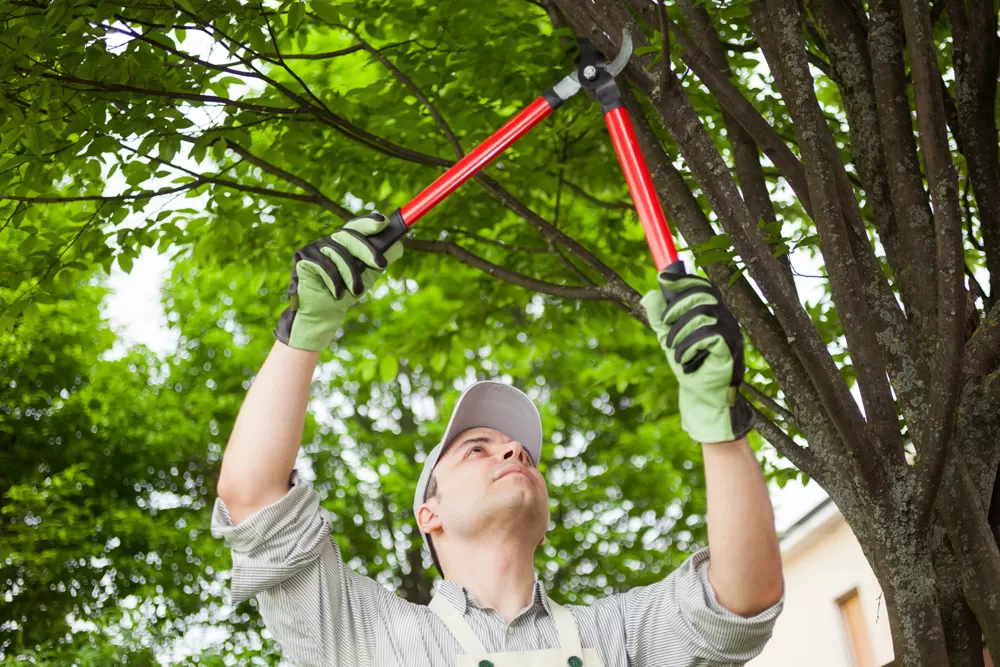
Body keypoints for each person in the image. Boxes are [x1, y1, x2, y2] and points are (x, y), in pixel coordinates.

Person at [211, 213, 784, 667]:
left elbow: (740, 602)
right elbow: (254, 497)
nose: (513, 451)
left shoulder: (617, 637)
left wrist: (719, 423)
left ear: (548, 517)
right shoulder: (366, 636)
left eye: (524, 454)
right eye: (476, 448)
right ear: (428, 514)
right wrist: (303, 333)